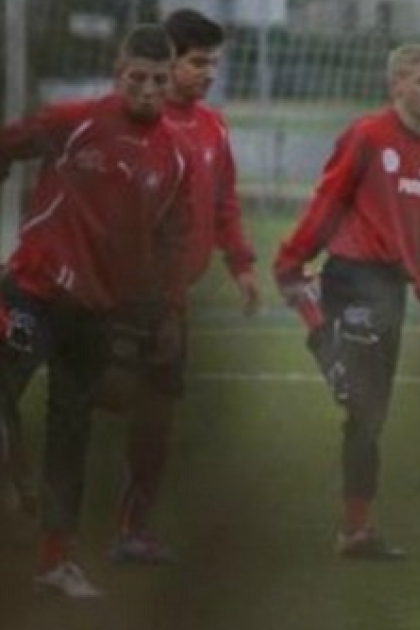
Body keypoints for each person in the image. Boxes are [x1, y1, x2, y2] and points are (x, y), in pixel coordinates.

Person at [0, 24, 191, 597]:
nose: (148, 90)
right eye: (138, 78)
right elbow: (10, 142)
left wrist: (164, 312)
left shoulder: (174, 159)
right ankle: (18, 483)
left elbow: (168, 244)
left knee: (72, 431)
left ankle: (55, 562)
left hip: (95, 311)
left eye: (159, 80)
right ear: (118, 74)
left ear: (170, 81)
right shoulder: (74, 121)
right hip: (32, 288)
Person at [273, 43, 420, 559]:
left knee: (369, 417)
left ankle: (356, 532)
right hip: (352, 278)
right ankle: (313, 313)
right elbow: (329, 199)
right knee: (360, 402)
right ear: (397, 84)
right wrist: (292, 258)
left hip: (391, 290)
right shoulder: (368, 136)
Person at [103, 7, 261, 565]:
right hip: (118, 294)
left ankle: (133, 529)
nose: (209, 73)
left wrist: (241, 265)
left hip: (172, 302)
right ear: (168, 61)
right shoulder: (134, 123)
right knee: (100, 402)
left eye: (214, 63)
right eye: (198, 62)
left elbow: (224, 203)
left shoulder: (213, 127)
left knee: (156, 416)